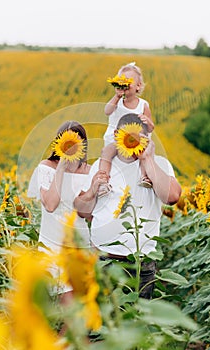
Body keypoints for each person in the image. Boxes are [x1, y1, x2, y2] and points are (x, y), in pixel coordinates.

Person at [74, 113, 181, 299]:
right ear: (116, 135)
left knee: (137, 321)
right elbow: (82, 212)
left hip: (140, 263)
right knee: (103, 322)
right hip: (103, 260)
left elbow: (172, 197)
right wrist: (92, 190)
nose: (132, 140)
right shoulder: (100, 166)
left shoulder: (158, 164)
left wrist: (148, 159)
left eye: (138, 136)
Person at [27, 120, 91, 309]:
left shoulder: (89, 171)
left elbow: (88, 214)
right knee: (57, 307)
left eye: (76, 142)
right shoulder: (46, 168)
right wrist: (62, 166)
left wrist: (96, 190)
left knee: (76, 308)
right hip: (52, 246)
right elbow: (51, 204)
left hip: (80, 245)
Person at [98, 62, 154, 197]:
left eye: (128, 81)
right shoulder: (117, 102)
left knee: (147, 150)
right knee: (106, 152)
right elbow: (107, 111)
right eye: (121, 81)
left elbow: (151, 127)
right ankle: (103, 180)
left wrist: (147, 122)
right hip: (117, 140)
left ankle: (145, 176)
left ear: (138, 86)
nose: (124, 84)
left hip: (136, 140)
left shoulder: (143, 105)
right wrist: (117, 96)